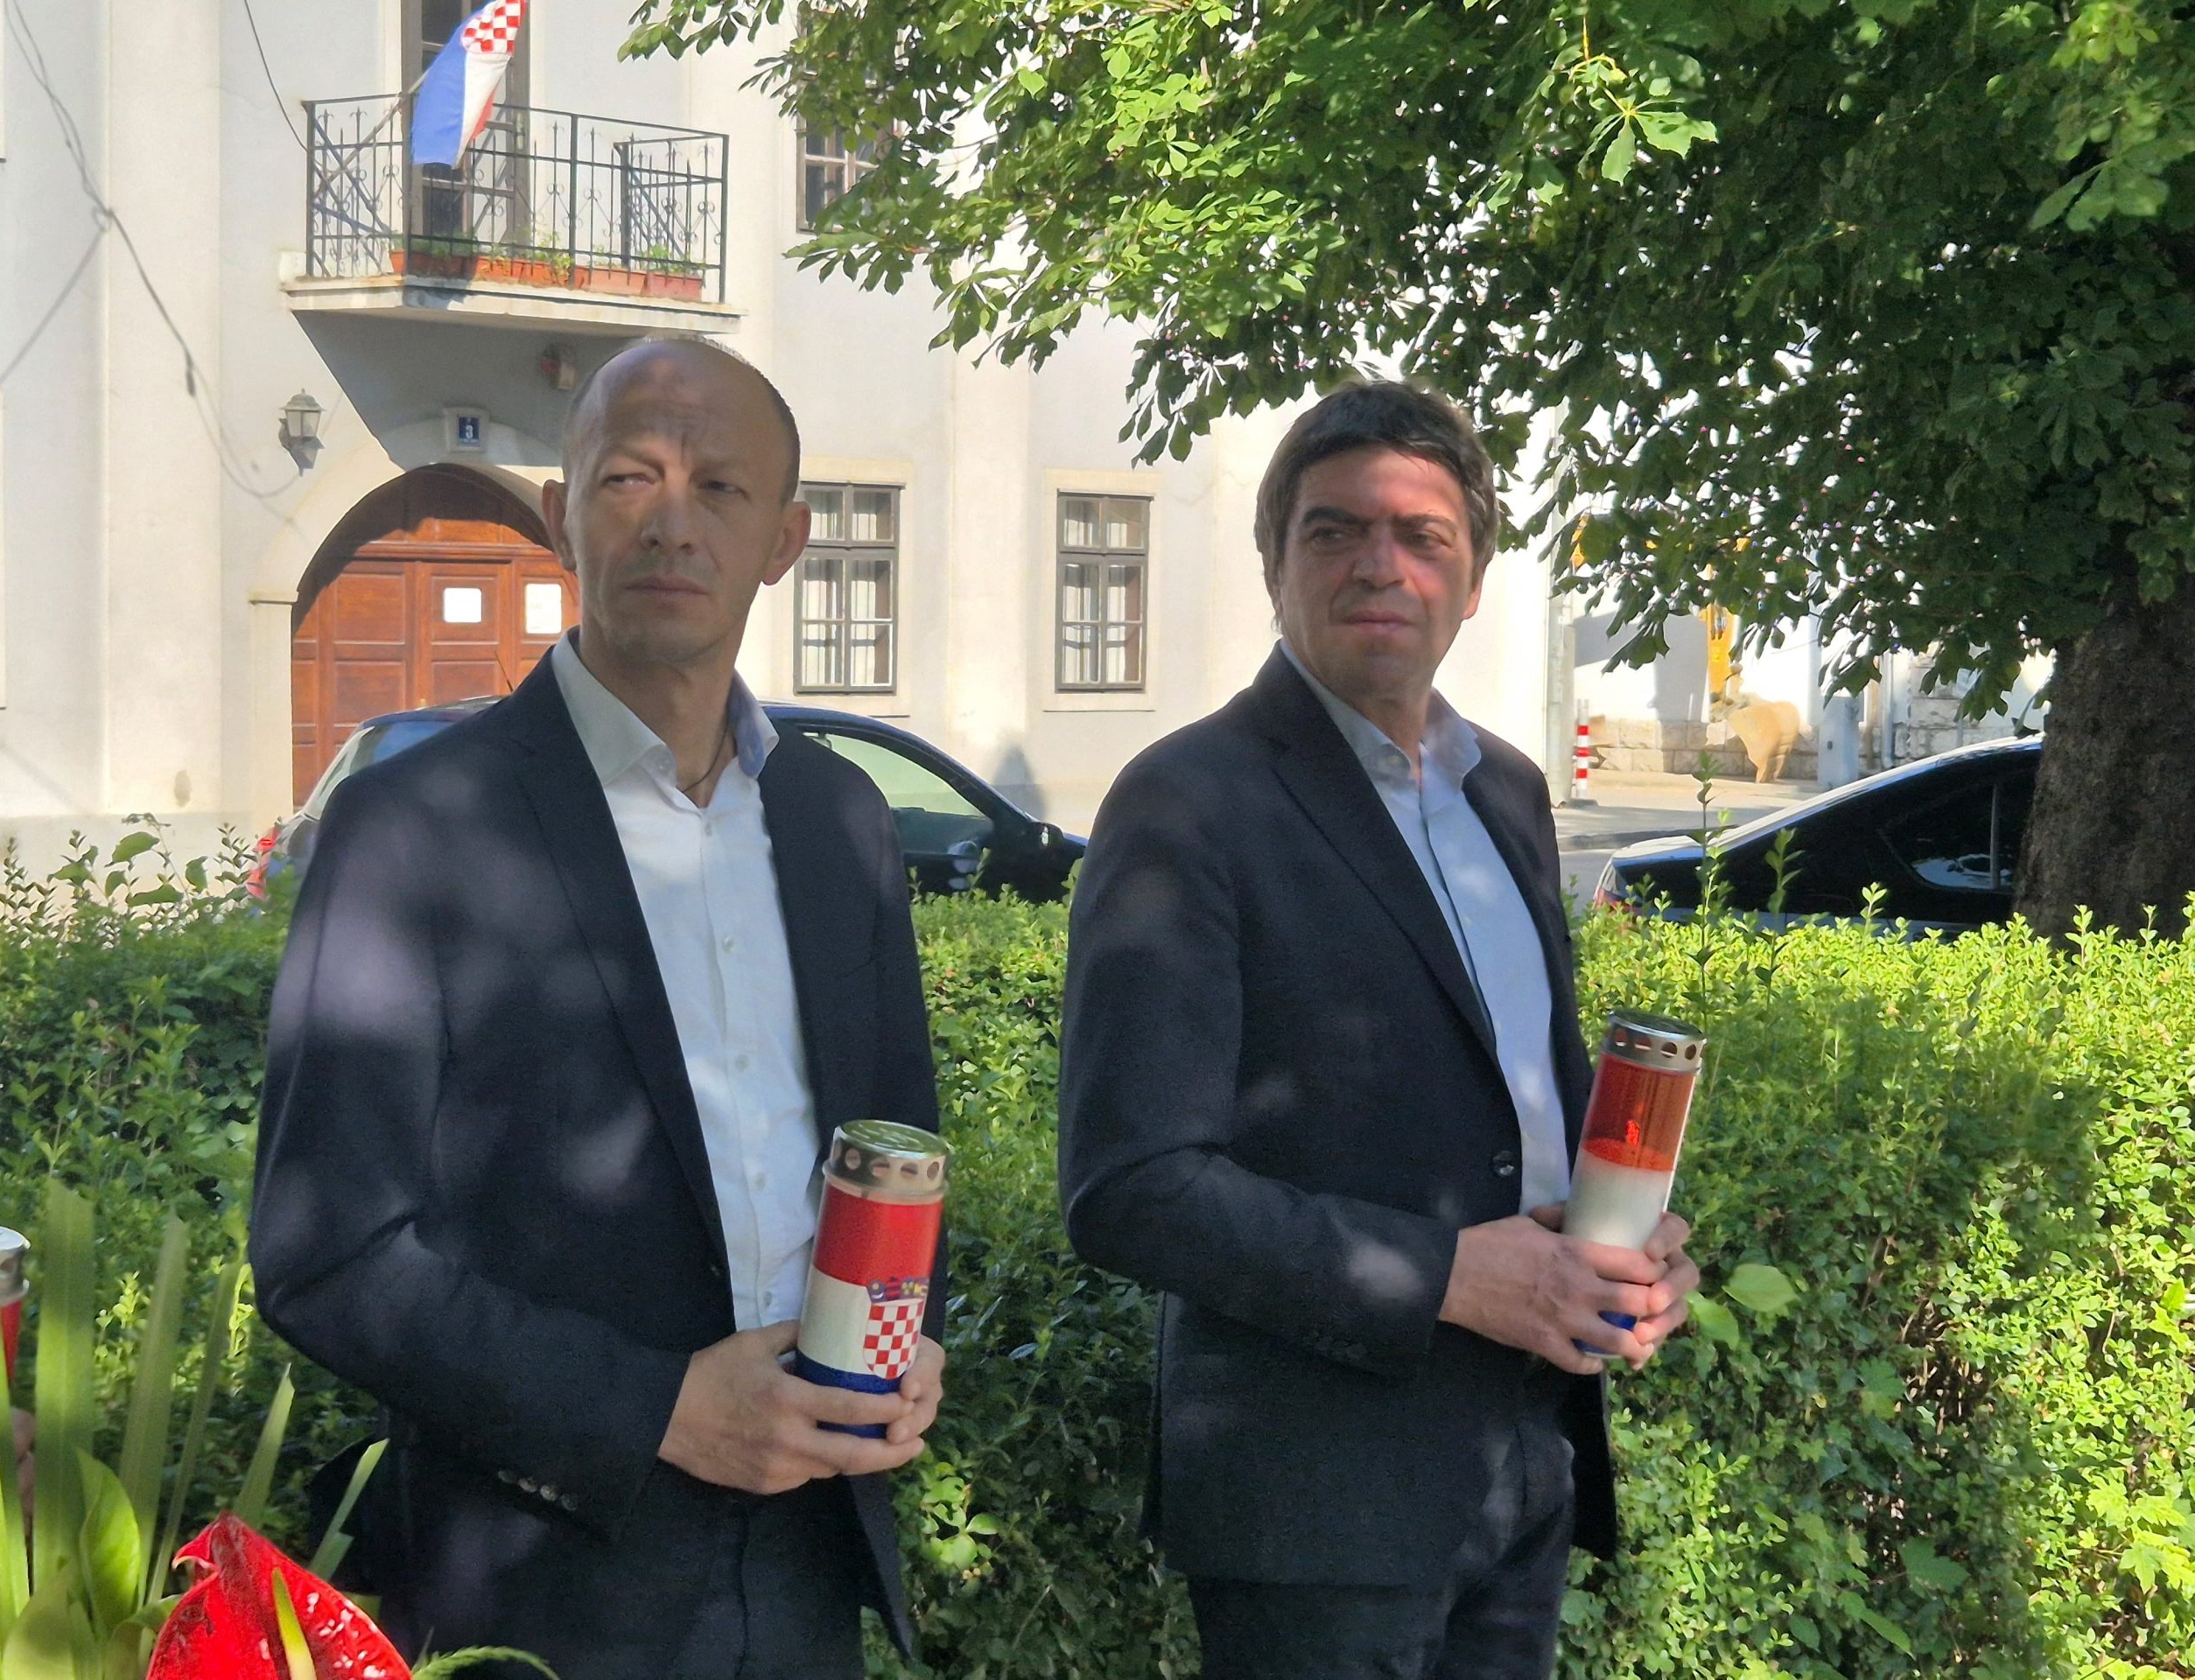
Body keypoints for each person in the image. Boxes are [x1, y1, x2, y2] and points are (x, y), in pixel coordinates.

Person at [251, 339, 945, 1680]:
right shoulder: (416, 827)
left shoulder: (840, 819)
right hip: (542, 1586)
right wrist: (659, 1411)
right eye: (630, 477)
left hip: (810, 1566)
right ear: (561, 513)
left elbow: (893, 1156)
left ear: (786, 541)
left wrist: (907, 1345)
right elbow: (324, 1254)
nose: (673, 522)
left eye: (721, 488)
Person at [1058, 379, 1701, 1679]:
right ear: (1274, 565)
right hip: (1319, 1505)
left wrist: (1623, 1244)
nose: (1379, 565)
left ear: (1474, 582)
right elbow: (1131, 1191)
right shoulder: (1185, 803)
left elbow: (1520, 1100)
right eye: (1335, 531)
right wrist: (1452, 1276)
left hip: (1526, 1456)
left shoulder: (1508, 795)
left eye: (1423, 536)